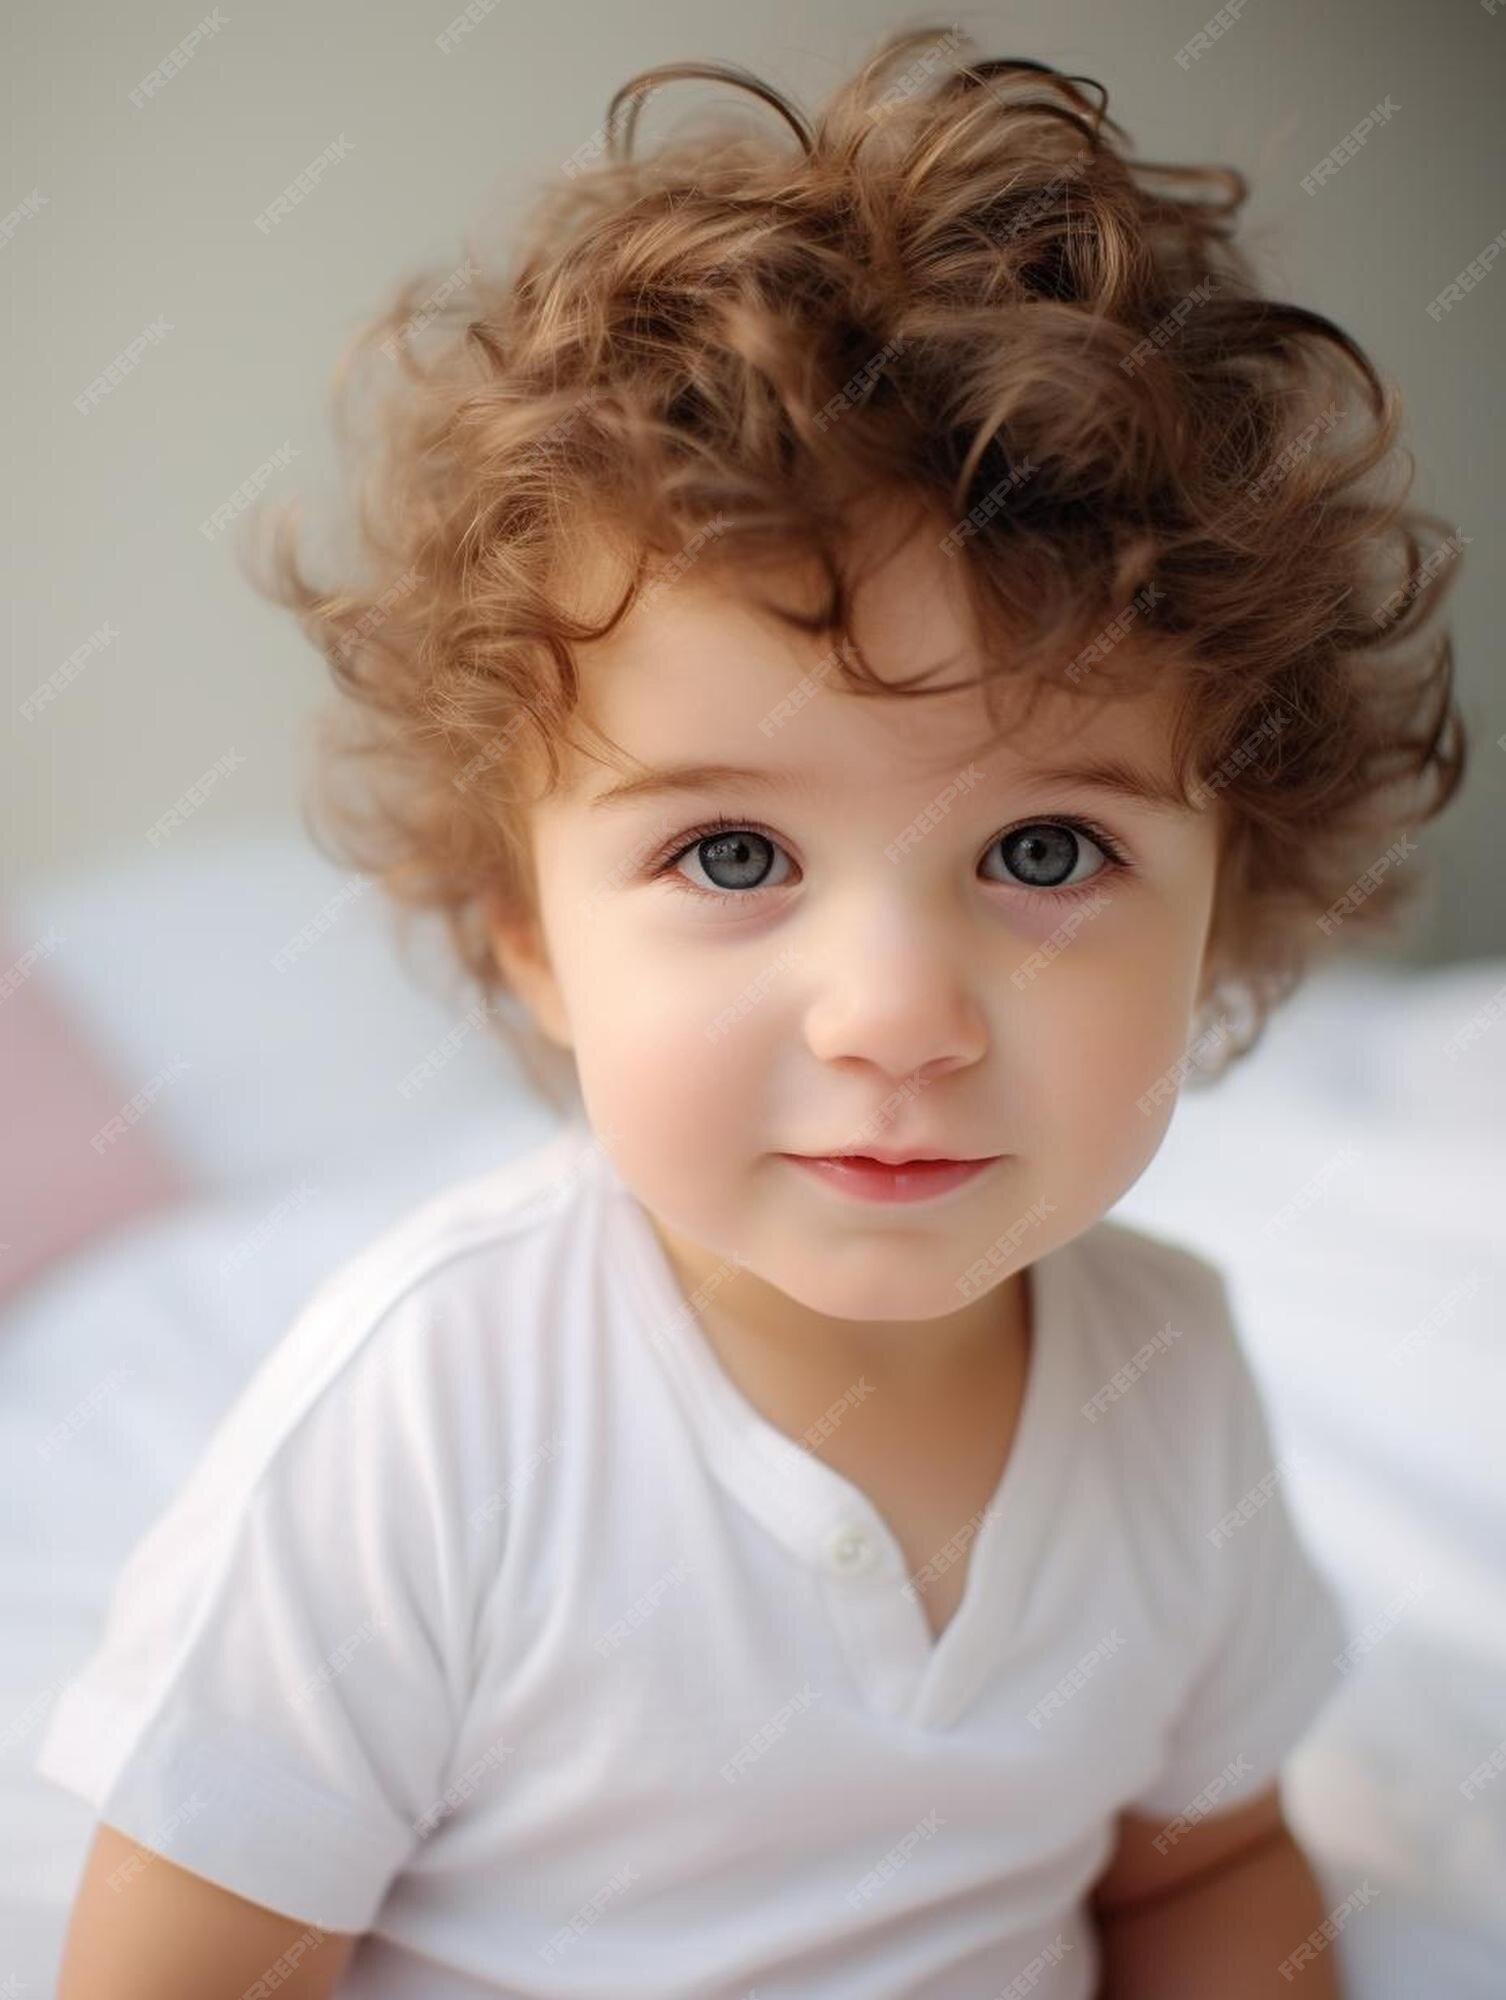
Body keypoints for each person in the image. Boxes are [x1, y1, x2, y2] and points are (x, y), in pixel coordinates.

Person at [36, 24, 1466, 1999]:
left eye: (1046, 855)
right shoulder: (436, 1416)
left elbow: (1198, 1872)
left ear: (1234, 905)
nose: (896, 1015)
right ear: (524, 931)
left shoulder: (1171, 1374)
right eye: (731, 857)